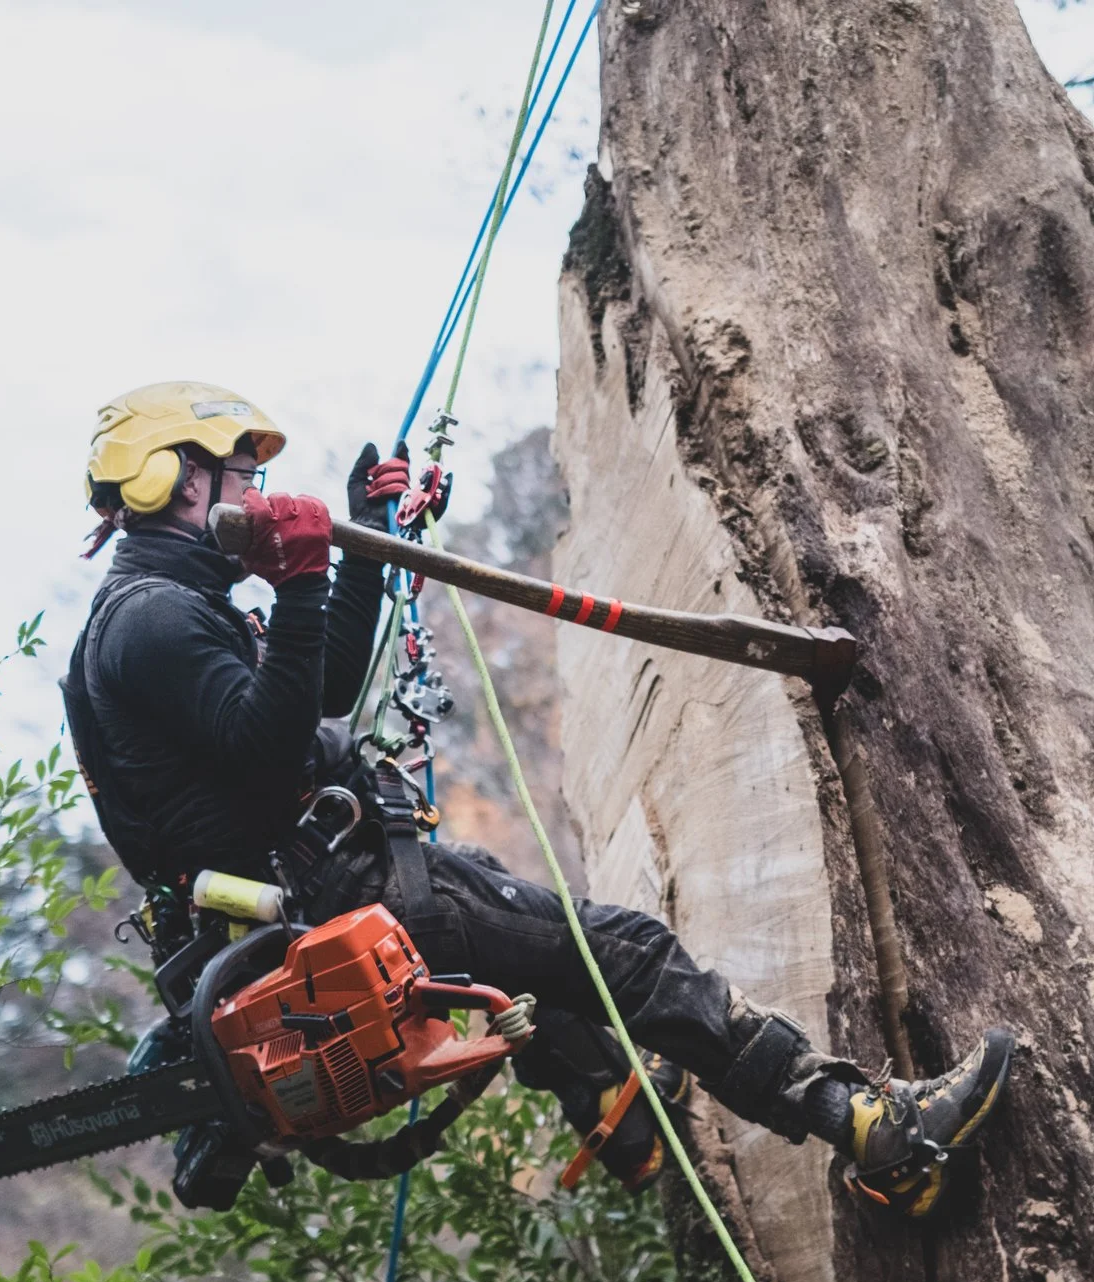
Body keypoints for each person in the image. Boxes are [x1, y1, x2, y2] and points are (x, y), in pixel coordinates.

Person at [64, 381, 1012, 1217]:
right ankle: (875, 1131)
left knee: (523, 933)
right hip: (337, 901)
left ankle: (621, 1109)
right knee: (625, 954)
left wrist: (356, 552)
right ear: (180, 478)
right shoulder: (152, 617)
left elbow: (316, 696)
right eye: (239, 473)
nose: (255, 495)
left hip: (336, 890)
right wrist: (305, 584)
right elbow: (268, 751)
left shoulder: (171, 603)